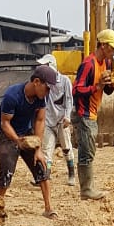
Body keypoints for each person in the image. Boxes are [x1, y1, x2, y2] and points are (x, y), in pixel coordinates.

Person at [0, 65, 58, 218]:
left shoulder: (41, 98)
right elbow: (5, 123)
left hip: (26, 132)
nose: (48, 92)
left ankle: (48, 208)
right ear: (36, 82)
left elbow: (40, 120)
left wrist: (38, 149)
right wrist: (17, 141)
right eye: (47, 88)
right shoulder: (12, 96)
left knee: (41, 167)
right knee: (6, 171)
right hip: (7, 134)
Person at [72, 28, 114, 200]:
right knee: (86, 151)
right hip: (84, 113)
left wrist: (111, 83)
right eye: (112, 48)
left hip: (93, 112)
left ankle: (88, 187)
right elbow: (76, 90)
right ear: (103, 45)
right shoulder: (88, 64)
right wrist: (98, 86)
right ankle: (86, 190)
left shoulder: (106, 63)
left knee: (90, 150)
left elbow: (106, 91)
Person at [37, 54, 76, 186]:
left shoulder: (64, 81)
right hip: (48, 121)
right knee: (46, 150)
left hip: (61, 121)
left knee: (66, 148)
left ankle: (71, 174)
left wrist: (67, 116)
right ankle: (45, 176)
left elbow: (69, 100)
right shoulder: (43, 83)